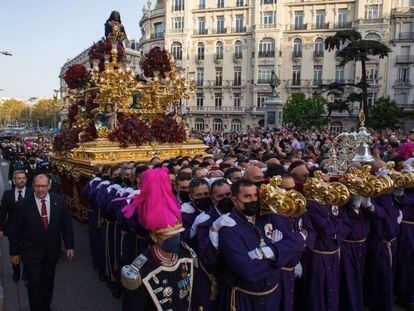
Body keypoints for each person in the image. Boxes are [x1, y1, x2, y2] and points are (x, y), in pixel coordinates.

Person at [217, 179, 306, 311]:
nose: (253, 200)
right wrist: (280, 255)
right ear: (235, 200)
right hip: (246, 299)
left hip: (273, 293)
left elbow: (295, 249)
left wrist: (269, 252)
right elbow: (247, 271)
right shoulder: (228, 226)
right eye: (247, 197)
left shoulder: (269, 216)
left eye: (255, 195)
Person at [121, 168, 196, 311]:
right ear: (154, 236)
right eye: (169, 235)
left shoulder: (187, 255)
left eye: (177, 233)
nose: (175, 238)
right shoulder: (140, 270)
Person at [8, 174, 74, 311]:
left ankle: (45, 307)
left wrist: (69, 246)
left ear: (49, 186)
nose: (40, 189)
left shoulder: (59, 201)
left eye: (43, 186)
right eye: (37, 186)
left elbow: (66, 225)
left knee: (48, 283)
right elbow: (15, 232)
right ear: (32, 186)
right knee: (34, 284)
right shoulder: (23, 205)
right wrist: (14, 253)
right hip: (31, 254)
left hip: (52, 252)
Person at [0, 170, 31, 281]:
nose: (22, 180)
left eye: (23, 178)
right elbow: (2, 212)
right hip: (13, 229)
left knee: (27, 251)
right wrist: (1, 229)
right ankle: (16, 272)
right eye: (19, 178)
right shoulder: (7, 194)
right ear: (14, 180)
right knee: (14, 252)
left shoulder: (31, 193)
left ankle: (26, 272)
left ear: (26, 180)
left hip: (28, 230)